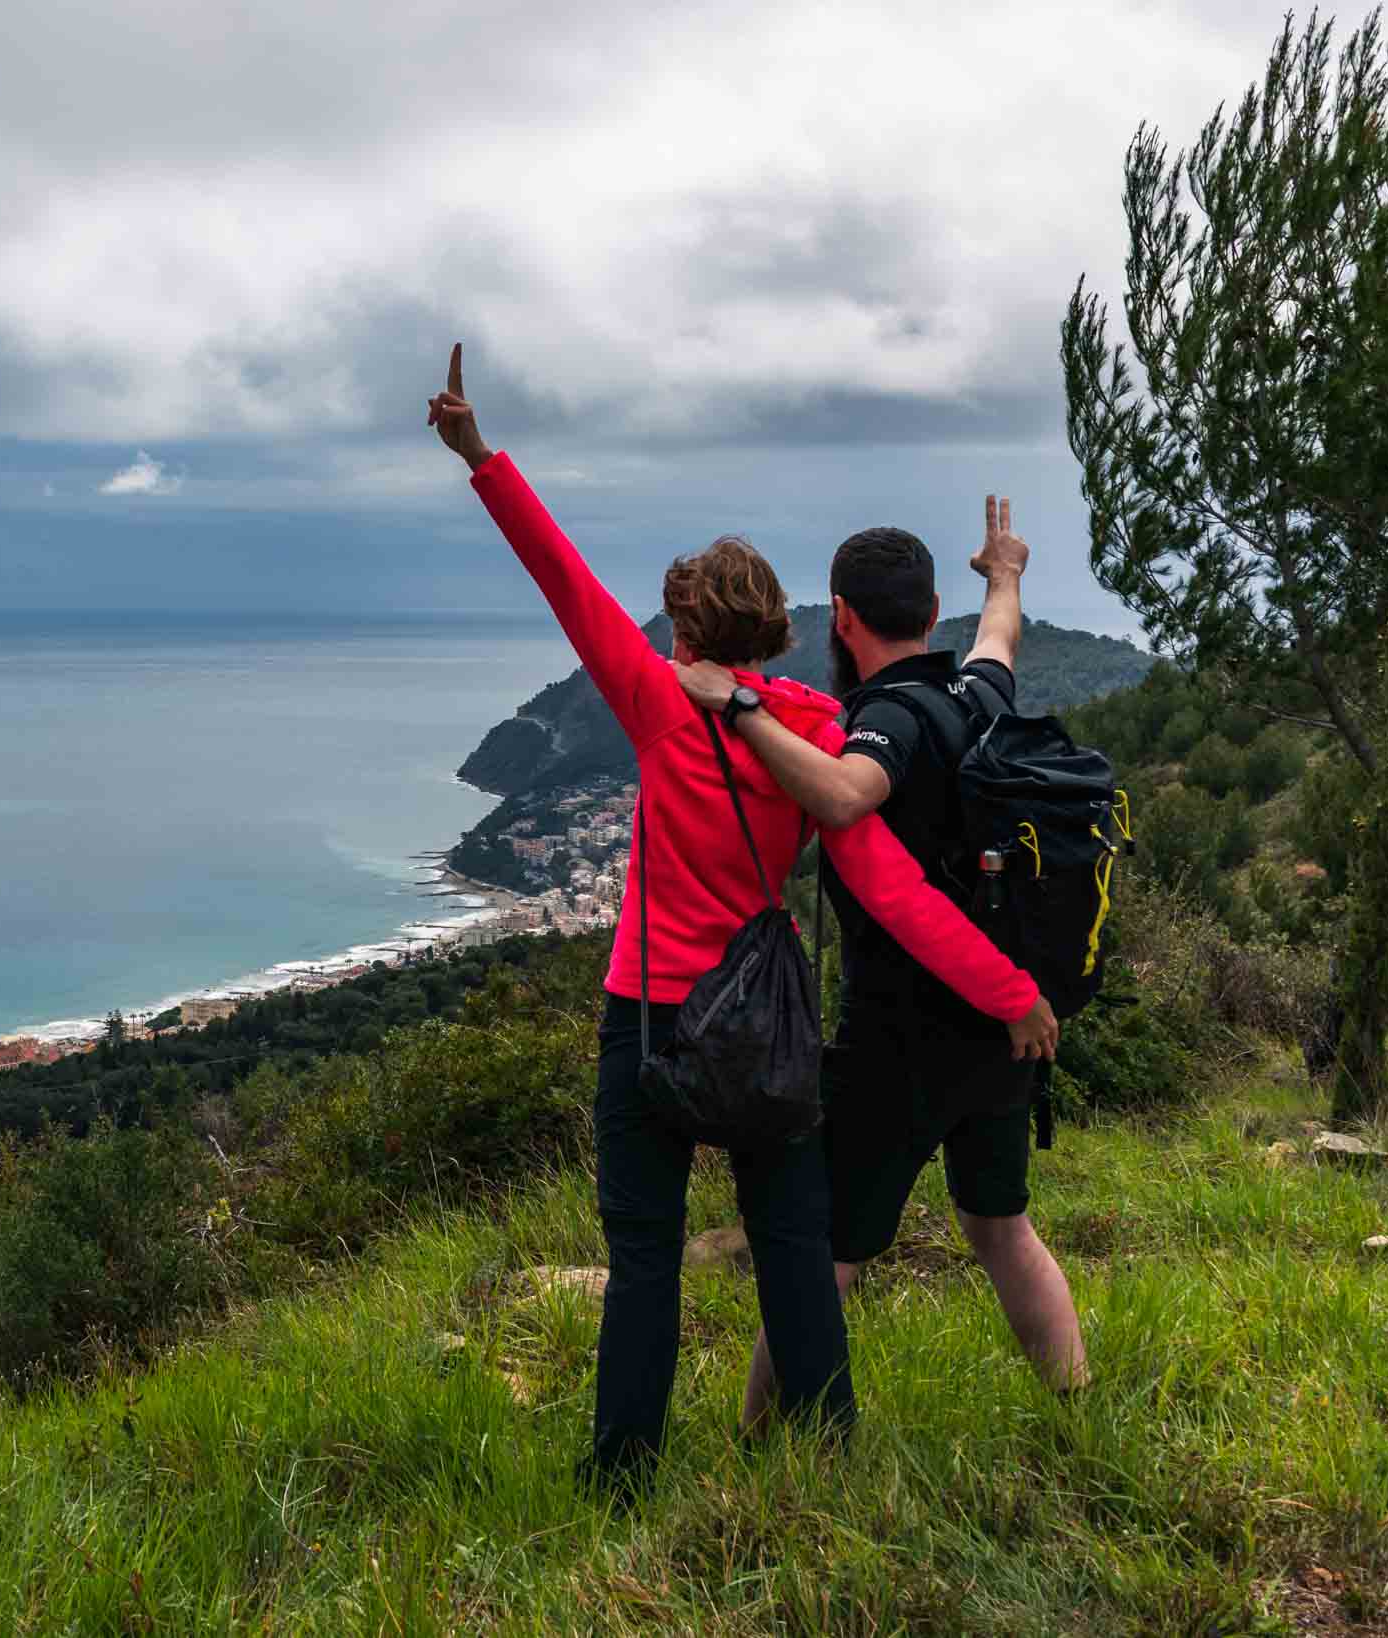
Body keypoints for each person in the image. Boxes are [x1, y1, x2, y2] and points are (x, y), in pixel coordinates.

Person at [428, 346, 1059, 1491]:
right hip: (765, 1029)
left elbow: (560, 577)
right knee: (789, 1250)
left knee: (644, 1262)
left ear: (682, 633)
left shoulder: (661, 704)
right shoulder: (817, 734)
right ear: (774, 636)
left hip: (648, 1024)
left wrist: (482, 457)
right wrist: (1011, 992)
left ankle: (621, 1479)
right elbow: (896, 895)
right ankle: (823, 1456)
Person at [674, 506, 1090, 1431]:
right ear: (931, 609)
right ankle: (1075, 1414)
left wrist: (737, 703)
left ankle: (758, 1441)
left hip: (904, 1036)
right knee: (1000, 1227)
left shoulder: (887, 722)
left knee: (820, 1252)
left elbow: (844, 795)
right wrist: (1006, 571)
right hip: (1003, 1031)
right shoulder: (974, 695)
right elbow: (1000, 637)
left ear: (843, 617)